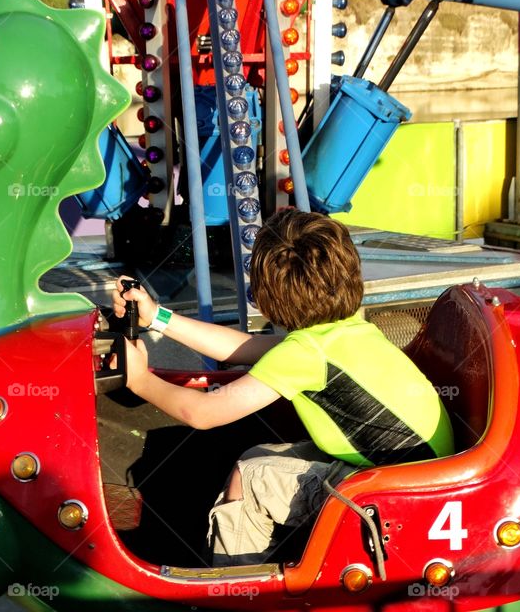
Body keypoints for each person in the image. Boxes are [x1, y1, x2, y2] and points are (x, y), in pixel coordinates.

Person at [114, 209, 454, 566]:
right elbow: (241, 346)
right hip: (419, 475)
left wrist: (139, 380)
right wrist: (157, 317)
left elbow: (202, 413)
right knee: (255, 458)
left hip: (401, 495)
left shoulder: (305, 352)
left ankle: (237, 593)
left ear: (265, 294)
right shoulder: (345, 331)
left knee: (251, 478)